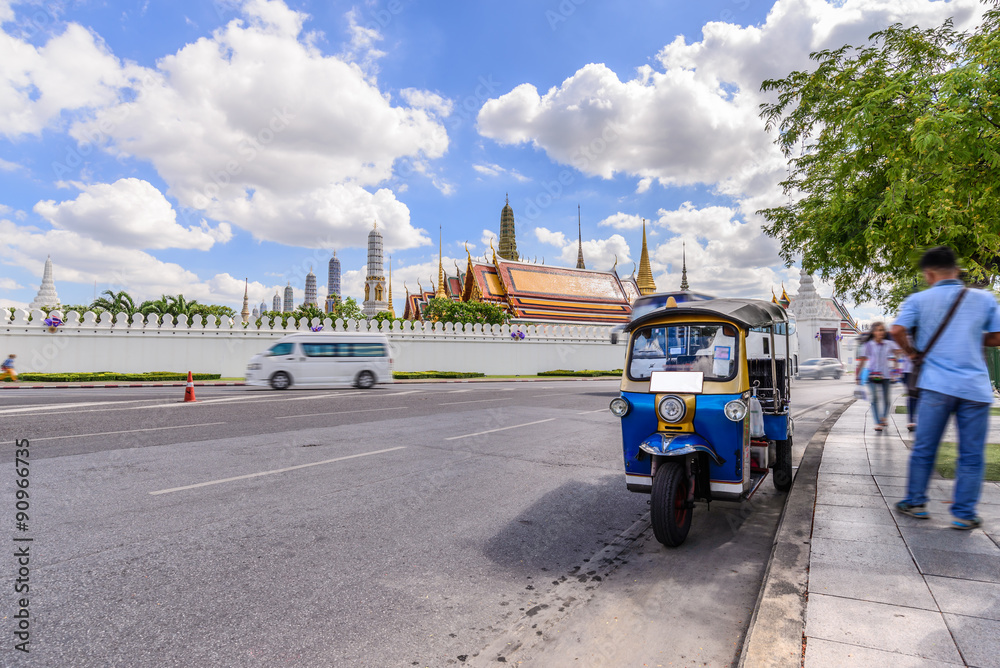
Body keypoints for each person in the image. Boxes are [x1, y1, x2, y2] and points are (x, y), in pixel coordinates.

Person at [891, 246, 1000, 530]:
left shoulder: (919, 300)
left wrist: (913, 353)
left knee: (925, 447)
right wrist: (974, 339)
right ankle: (963, 513)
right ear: (957, 270)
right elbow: (998, 337)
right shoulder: (984, 298)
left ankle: (916, 502)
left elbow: (897, 331)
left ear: (929, 274)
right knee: (972, 454)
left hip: (936, 387)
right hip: (975, 388)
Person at [855, 322, 895, 431]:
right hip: (872, 375)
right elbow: (862, 361)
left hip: (885, 375)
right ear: (873, 332)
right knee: (875, 399)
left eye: (882, 330)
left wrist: (896, 369)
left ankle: (884, 418)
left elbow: (899, 352)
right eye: (878, 330)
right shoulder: (867, 345)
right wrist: (858, 376)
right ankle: (877, 422)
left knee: (887, 400)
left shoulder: (889, 344)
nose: (880, 332)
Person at [896, 349, 917, 431]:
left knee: (919, 397)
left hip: (919, 370)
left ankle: (916, 419)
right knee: (911, 396)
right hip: (907, 371)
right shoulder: (905, 338)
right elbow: (898, 352)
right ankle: (911, 420)